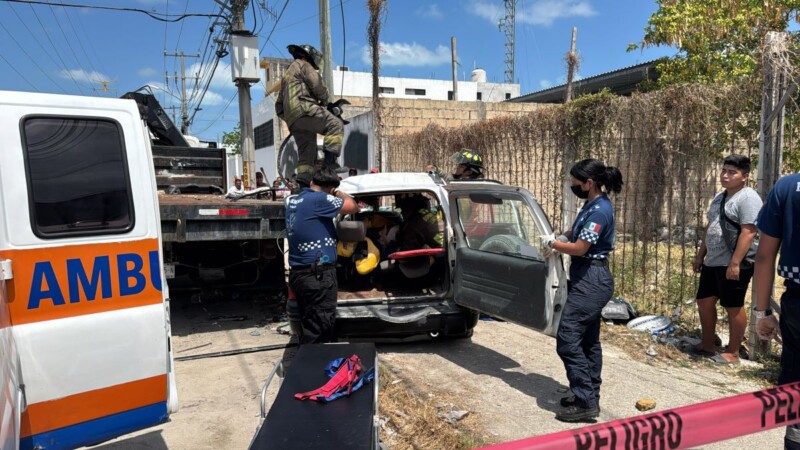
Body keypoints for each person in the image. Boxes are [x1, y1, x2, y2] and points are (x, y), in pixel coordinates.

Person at [540, 158, 623, 422]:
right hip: (586, 275)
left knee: (567, 338)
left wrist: (553, 243)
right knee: (588, 341)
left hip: (592, 279)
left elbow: (580, 248)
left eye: (575, 181)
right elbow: (576, 235)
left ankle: (586, 401)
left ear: (589, 183)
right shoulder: (591, 204)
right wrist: (564, 235)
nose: (571, 184)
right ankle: (588, 395)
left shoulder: (600, 211)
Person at [692, 154, 761, 365]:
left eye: (732, 172)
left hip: (733, 263)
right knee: (704, 301)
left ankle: (733, 352)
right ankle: (707, 344)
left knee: (733, 305)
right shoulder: (720, 197)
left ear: (745, 176)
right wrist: (700, 255)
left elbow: (748, 231)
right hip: (713, 261)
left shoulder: (748, 198)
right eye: (724, 171)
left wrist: (735, 263)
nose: (725, 175)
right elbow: (710, 227)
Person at [286, 167, 359, 344]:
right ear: (329, 188)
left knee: (310, 324)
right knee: (321, 328)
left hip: (300, 273)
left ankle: (314, 362)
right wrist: (338, 192)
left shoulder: (295, 201)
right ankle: (315, 367)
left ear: (312, 182)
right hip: (317, 276)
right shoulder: (319, 199)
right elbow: (353, 206)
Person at [754, 172, 800, 449]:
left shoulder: (786, 186)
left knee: (795, 377)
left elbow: (764, 255)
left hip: (798, 304)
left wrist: (762, 312)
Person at [275, 44, 343, 184]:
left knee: (307, 153)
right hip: (305, 109)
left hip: (293, 120)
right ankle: (329, 165)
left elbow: (279, 107)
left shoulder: (287, 77)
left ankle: (302, 184)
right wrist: (324, 101)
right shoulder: (304, 65)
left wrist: (291, 118)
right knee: (335, 124)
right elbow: (317, 85)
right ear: (308, 57)